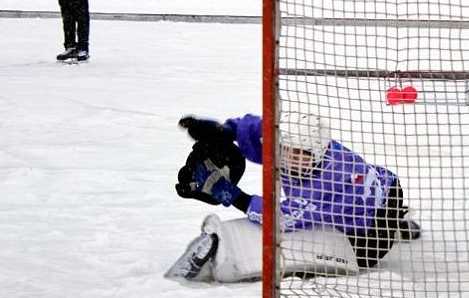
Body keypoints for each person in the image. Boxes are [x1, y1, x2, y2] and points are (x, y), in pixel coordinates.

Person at [169, 112, 420, 281]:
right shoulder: (309, 146)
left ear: (318, 152)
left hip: (371, 236)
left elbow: (280, 218)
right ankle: (396, 223)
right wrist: (227, 130)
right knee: (325, 216)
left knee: (306, 244)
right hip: (380, 189)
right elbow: (259, 127)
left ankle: (392, 229)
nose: (291, 158)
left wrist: (231, 193)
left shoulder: (327, 183)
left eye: (301, 153)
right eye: (286, 150)